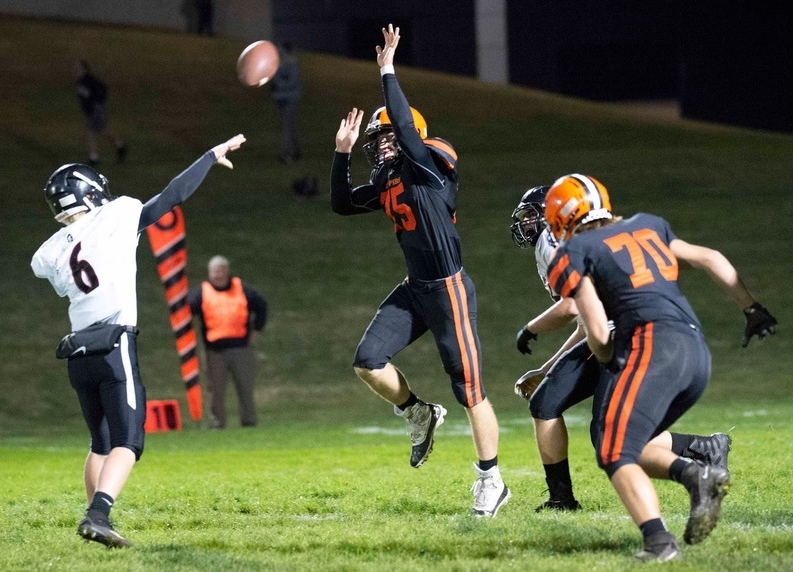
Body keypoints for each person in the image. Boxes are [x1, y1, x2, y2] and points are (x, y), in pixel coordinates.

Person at [543, 173, 777, 561]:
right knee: (630, 443)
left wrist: (607, 358)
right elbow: (709, 258)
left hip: (652, 349)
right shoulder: (649, 225)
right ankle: (696, 473)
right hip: (695, 351)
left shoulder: (574, 251)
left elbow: (597, 330)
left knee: (612, 450)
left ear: (561, 218)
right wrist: (751, 308)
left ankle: (660, 541)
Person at [31, 134, 245, 548]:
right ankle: (98, 515)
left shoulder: (51, 250)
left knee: (99, 442)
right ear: (91, 192)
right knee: (128, 442)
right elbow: (171, 197)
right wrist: (210, 156)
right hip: (114, 346)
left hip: (78, 353)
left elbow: (56, 268)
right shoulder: (116, 215)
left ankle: (93, 516)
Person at [330, 24, 510, 517]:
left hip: (449, 288)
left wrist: (388, 70)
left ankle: (491, 480)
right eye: (377, 140)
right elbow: (342, 204)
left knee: (470, 390)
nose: (382, 146)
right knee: (367, 360)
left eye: (387, 136)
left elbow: (409, 133)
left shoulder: (430, 164)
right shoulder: (390, 179)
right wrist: (342, 153)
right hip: (416, 289)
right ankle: (418, 412)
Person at [510, 185, 733, 513]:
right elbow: (586, 320)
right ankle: (561, 500)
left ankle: (696, 462)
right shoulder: (551, 244)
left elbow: (573, 307)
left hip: (624, 338)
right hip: (602, 336)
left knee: (608, 436)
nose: (526, 223)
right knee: (545, 403)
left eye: (531, 216)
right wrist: (548, 368)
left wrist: (529, 329)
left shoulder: (557, 243)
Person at [189, 256, 268, 428]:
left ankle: (249, 421)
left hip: (241, 348)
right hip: (215, 351)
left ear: (227, 271)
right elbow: (186, 311)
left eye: (221, 271)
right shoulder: (201, 292)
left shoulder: (242, 288)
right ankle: (217, 423)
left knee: (245, 388)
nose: (218, 275)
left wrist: (256, 330)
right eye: (215, 272)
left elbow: (261, 306)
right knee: (215, 390)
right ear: (209, 273)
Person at [73, 60, 127, 167]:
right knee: (101, 131)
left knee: (90, 133)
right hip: (93, 111)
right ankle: (120, 146)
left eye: (78, 68)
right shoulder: (81, 81)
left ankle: (94, 157)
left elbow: (103, 89)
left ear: (84, 69)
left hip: (96, 110)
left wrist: (97, 104)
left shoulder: (89, 80)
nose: (75, 70)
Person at [270, 43, 302, 164]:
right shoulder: (281, 64)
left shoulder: (292, 64)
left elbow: (291, 82)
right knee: (288, 126)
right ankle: (296, 150)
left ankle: (287, 153)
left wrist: (278, 83)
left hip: (289, 99)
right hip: (281, 98)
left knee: (286, 127)